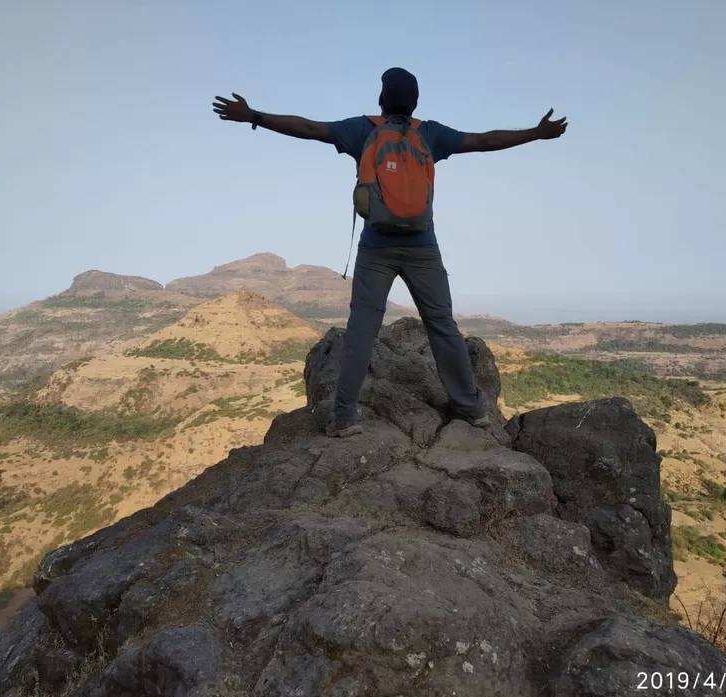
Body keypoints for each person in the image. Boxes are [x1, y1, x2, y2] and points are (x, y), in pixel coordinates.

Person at [213, 67, 567, 438]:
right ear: (415, 103)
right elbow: (484, 140)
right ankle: (472, 409)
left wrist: (254, 116)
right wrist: (535, 133)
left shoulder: (363, 129)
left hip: (376, 248)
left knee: (361, 331)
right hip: (423, 247)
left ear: (381, 99)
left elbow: (308, 128)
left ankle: (345, 417)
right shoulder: (429, 134)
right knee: (442, 326)